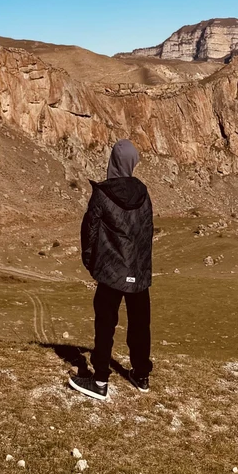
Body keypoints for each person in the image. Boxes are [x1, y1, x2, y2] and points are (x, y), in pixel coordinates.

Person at [68, 137, 153, 400]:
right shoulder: (143, 193)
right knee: (140, 324)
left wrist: (92, 263)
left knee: (105, 324)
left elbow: (89, 233)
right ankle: (140, 375)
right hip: (138, 272)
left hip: (111, 272)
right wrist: (141, 268)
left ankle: (100, 380)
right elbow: (147, 233)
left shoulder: (102, 195)